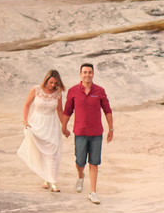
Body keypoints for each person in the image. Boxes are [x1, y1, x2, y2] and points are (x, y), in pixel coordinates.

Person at [61, 62, 114, 205]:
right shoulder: (73, 91)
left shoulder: (100, 91)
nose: (87, 75)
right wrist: (64, 127)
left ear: (93, 74)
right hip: (80, 132)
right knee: (80, 161)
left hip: (96, 133)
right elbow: (67, 111)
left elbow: (107, 110)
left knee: (94, 162)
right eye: (85, 72)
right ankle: (80, 176)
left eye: (90, 72)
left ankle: (93, 192)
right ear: (80, 75)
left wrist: (111, 129)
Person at [17, 69, 66, 192]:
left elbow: (60, 111)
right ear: (46, 80)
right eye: (51, 82)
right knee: (40, 152)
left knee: (52, 152)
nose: (53, 85)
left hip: (52, 124)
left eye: (55, 83)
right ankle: (46, 178)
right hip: (37, 123)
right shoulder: (36, 89)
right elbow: (27, 105)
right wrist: (25, 120)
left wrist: (64, 126)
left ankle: (53, 182)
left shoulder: (58, 93)